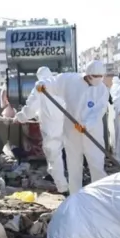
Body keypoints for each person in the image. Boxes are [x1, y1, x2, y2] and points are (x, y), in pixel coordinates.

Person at [34, 60, 109, 194]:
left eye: (101, 76)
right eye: (96, 76)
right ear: (88, 75)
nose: (99, 79)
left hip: (92, 132)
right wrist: (42, 84)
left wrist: (87, 124)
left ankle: (100, 195)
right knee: (74, 165)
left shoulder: (102, 89)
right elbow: (53, 82)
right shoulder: (70, 80)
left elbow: (99, 111)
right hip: (72, 130)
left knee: (96, 163)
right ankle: (76, 195)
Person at [13, 67, 68, 194]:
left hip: (51, 127)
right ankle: (60, 179)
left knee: (54, 156)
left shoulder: (40, 86)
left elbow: (31, 107)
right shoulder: (59, 84)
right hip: (66, 124)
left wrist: (20, 117)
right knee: (65, 155)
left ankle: (63, 188)